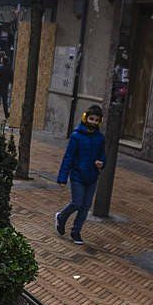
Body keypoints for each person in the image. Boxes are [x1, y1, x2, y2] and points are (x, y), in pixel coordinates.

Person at [55, 105, 106, 246]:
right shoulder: (76, 136)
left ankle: (76, 231)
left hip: (92, 177)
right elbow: (68, 157)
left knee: (85, 206)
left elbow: (103, 155)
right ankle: (61, 217)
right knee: (77, 203)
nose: (94, 122)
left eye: (97, 120)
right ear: (85, 118)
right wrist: (62, 178)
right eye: (91, 119)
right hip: (77, 175)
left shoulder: (100, 138)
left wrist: (102, 163)